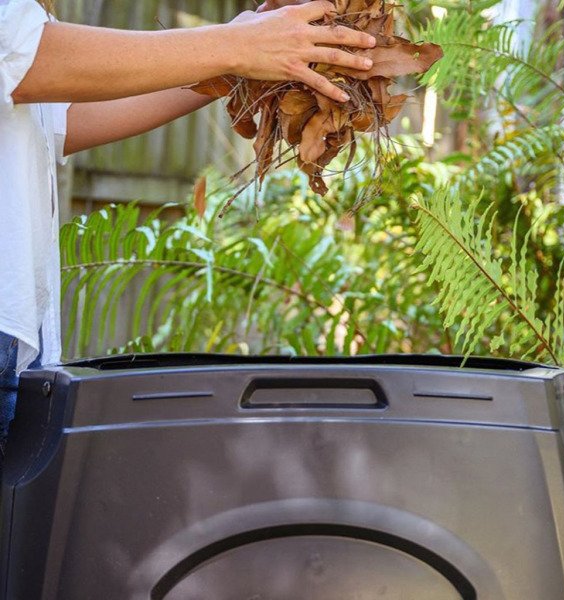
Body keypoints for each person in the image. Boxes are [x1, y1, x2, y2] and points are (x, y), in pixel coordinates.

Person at [0, 0, 377, 458]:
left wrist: (234, 65)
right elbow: (26, 59)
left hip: (20, 336)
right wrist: (236, 46)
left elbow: (59, 117)